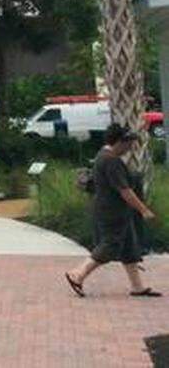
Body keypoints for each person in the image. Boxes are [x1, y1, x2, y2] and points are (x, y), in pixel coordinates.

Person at [65, 124, 159, 298]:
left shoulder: (103, 155)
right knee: (110, 245)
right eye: (128, 143)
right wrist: (144, 210)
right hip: (112, 212)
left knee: (129, 248)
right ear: (119, 142)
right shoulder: (111, 161)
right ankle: (77, 275)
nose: (130, 147)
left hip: (118, 211)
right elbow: (125, 191)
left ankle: (137, 287)